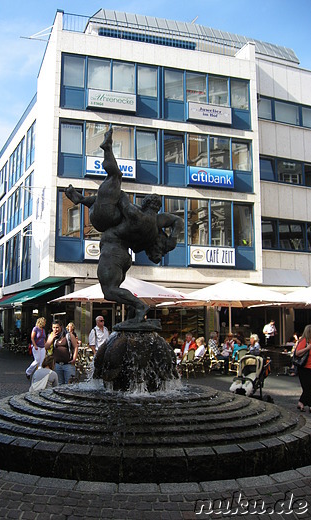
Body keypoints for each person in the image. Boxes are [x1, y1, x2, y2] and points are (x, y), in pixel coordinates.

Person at [66, 128, 183, 326]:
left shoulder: (138, 216)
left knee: (115, 176)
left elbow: (121, 200)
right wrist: (172, 239)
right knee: (112, 289)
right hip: (122, 253)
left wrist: (110, 195)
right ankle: (132, 311)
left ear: (145, 203)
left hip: (113, 249)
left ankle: (138, 306)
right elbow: (177, 221)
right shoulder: (154, 224)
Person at [46, 320, 78, 384]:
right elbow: (46, 347)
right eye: (54, 328)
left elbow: (76, 347)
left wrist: (74, 359)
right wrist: (52, 338)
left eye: (57, 327)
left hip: (68, 364)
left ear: (61, 327)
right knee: (59, 384)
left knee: (69, 384)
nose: (55, 329)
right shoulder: (52, 335)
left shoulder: (69, 335)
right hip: (57, 364)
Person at [295, 324, 311, 414]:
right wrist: (307, 349)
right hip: (305, 368)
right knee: (309, 388)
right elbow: (297, 353)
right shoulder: (304, 341)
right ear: (309, 332)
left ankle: (301, 402)